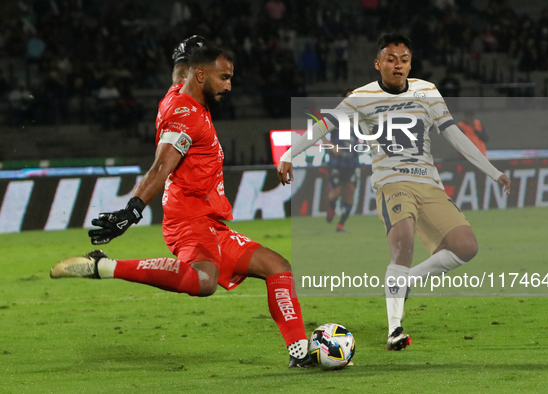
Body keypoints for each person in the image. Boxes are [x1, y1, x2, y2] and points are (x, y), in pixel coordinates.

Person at [50, 36, 313, 368]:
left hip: (209, 221)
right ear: (201, 76)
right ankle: (104, 267)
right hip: (189, 220)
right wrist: (132, 210)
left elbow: (181, 75)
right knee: (204, 282)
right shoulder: (184, 114)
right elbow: (162, 166)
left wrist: (184, 55)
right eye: (224, 77)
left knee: (278, 267)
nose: (229, 86)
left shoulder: (180, 94)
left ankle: (301, 352)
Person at [277, 33, 511, 351]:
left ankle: (405, 281)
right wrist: (291, 153)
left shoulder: (427, 91)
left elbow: (455, 135)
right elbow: (324, 124)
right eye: (391, 59)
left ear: (410, 63)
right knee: (403, 244)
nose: (398, 64)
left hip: (429, 183)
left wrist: (493, 171)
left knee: (465, 246)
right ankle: (394, 330)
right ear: (378, 64)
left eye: (404, 59)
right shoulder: (362, 97)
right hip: (392, 182)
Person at [323, 88, 360, 232]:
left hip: (352, 162)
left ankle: (341, 224)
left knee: (350, 190)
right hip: (336, 163)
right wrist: (331, 146)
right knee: (337, 192)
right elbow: (320, 132)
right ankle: (331, 207)